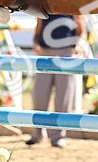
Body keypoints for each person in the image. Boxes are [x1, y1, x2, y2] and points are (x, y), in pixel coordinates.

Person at [25, 13, 87, 147]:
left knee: (63, 98)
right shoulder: (44, 8)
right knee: (39, 96)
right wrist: (35, 44)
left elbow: (81, 31)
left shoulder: (72, 7)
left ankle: (58, 136)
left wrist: (78, 45)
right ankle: (37, 133)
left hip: (66, 53)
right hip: (45, 53)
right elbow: (38, 30)